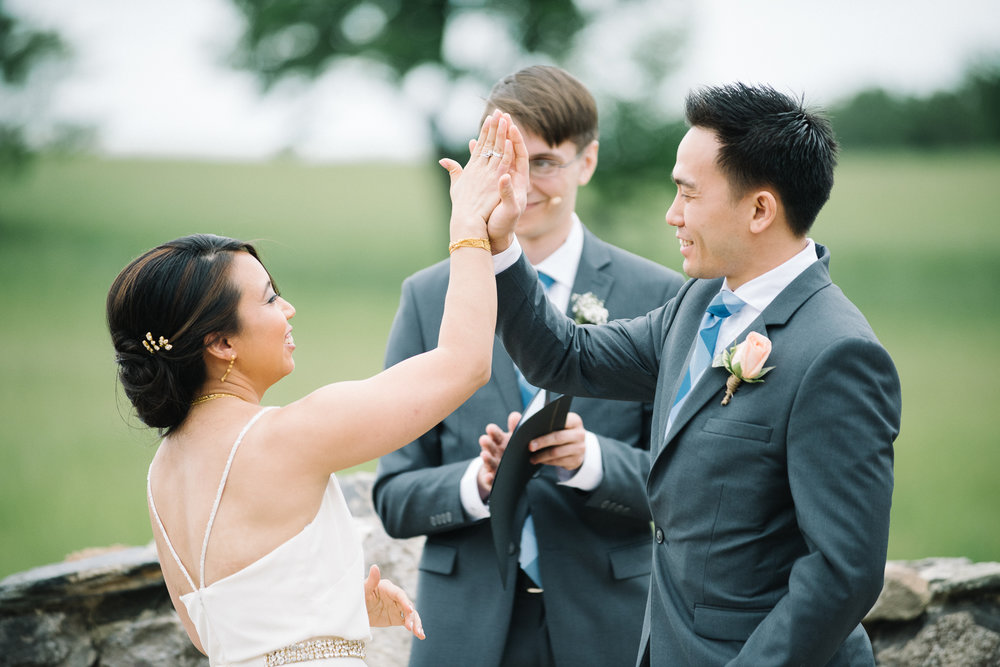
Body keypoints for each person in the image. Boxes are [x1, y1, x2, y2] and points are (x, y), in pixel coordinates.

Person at [484, 83, 902, 666]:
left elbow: (843, 572)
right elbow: (567, 356)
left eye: (687, 194)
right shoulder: (697, 302)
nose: (671, 214)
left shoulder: (838, 354)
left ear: (760, 209)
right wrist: (500, 244)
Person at [105, 111, 528, 666]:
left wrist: (340, 608)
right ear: (221, 344)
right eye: (268, 298)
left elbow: (222, 633)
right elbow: (464, 364)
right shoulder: (289, 436)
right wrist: (471, 227)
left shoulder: (164, 470)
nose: (288, 310)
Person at [372, 65, 684, 667]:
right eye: (507, 159)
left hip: (607, 625)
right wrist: (478, 483)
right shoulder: (427, 297)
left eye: (544, 162)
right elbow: (393, 494)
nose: (523, 182)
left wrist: (588, 459)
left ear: (586, 162)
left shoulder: (659, 295)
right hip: (463, 631)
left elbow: (683, 487)